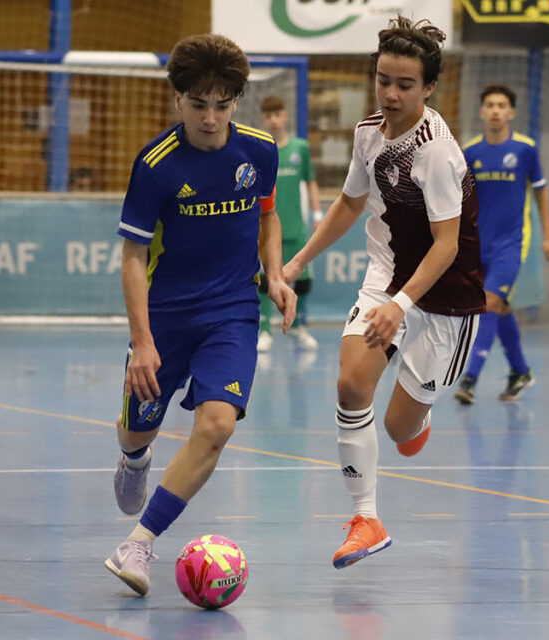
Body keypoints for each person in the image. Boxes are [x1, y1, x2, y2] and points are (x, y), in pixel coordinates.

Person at [283, 14, 484, 569]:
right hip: (387, 276)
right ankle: (367, 519)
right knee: (351, 384)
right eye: (383, 80)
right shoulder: (368, 132)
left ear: (429, 88)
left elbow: (445, 246)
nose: (391, 94)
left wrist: (402, 306)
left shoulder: (437, 151)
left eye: (405, 85)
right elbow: (350, 202)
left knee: (399, 429)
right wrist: (297, 262)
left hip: (444, 299)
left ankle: (415, 420)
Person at [105, 33, 297, 596]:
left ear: (236, 101)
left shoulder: (259, 150)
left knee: (217, 424)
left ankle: (139, 542)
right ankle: (133, 458)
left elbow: (268, 218)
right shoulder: (155, 165)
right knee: (140, 426)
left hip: (233, 309)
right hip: (164, 314)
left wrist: (276, 274)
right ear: (178, 101)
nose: (211, 118)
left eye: (223, 104)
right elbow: (134, 255)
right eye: (199, 105)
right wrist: (143, 342)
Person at [454, 84, 549, 405]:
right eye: (490, 105)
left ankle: (470, 378)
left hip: (512, 245)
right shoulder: (470, 153)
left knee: (488, 303)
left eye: (502, 105)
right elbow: (460, 200)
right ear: (482, 112)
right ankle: (520, 371)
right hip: (477, 244)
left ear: (511, 113)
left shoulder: (525, 150)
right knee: (497, 307)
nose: (496, 110)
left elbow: (541, 192)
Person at [256, 95, 322, 352]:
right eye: (268, 116)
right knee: (263, 280)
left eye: (277, 114)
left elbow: (311, 181)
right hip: (266, 227)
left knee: (302, 280)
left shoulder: (300, 149)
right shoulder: (261, 149)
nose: (273, 120)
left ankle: (298, 327)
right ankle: (263, 331)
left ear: (285, 117)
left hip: (294, 226)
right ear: (264, 119)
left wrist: (317, 214)